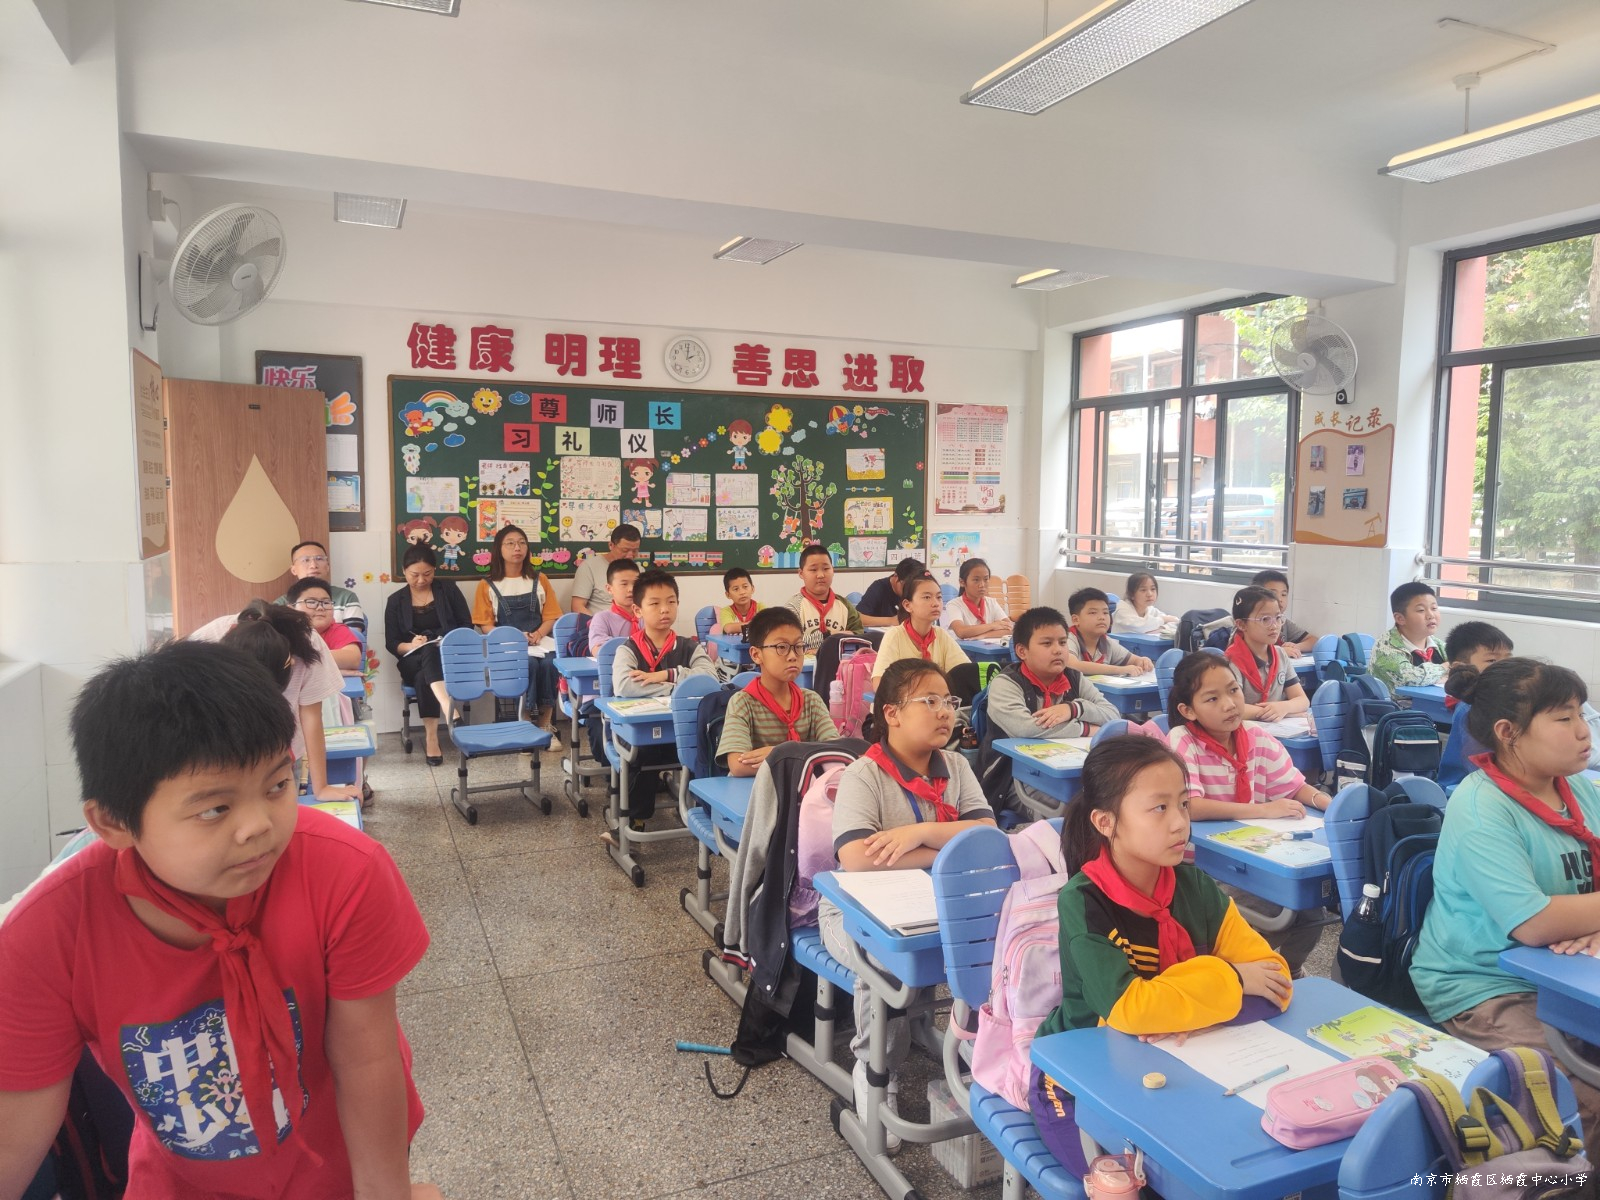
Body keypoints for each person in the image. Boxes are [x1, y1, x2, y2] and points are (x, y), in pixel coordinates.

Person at [0, 641, 436, 1197]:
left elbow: (367, 1059)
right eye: (214, 808)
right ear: (112, 823)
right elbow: (15, 1137)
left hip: (342, 1170)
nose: (259, 826)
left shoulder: (344, 871)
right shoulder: (47, 935)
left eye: (277, 785)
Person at [1028, 736, 1291, 1174]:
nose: (1179, 823)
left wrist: (1182, 1012)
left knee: (1238, 1166)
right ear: (1106, 822)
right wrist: (1230, 977)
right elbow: (1130, 1009)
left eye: (1184, 804)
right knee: (1124, 1182)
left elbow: (1277, 980)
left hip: (1174, 1068)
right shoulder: (1084, 901)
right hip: (1077, 1078)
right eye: (1159, 808)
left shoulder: (1195, 886)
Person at [1411, 658, 1600, 1161]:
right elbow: (1534, 923)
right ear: (1508, 732)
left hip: (1566, 972)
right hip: (1486, 984)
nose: (1584, 731)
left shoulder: (1578, 787)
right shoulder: (1482, 808)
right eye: (1564, 718)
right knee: (1583, 1101)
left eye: (1582, 714)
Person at [820, 660, 997, 1150]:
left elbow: (986, 835)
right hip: (853, 911)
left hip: (935, 904)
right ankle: (875, 1069)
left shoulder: (956, 767)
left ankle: (973, 1048)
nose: (945, 712)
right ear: (892, 713)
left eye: (950, 701)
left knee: (993, 943)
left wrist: (917, 834)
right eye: (930, 701)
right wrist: (948, 848)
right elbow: (858, 860)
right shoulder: (864, 775)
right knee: (884, 962)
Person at [1165, 651, 1326, 976]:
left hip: (1254, 855)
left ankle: (1290, 971)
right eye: (1212, 698)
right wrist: (1264, 810)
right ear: (1188, 710)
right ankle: (1239, 969)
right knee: (1266, 910)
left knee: (1311, 910)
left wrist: (1329, 803)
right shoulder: (1183, 742)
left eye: (1234, 690)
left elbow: (1295, 786)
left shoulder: (1256, 737)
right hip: (1202, 866)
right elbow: (1190, 805)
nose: (1229, 704)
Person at [190, 601, 359, 803]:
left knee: (280, 805)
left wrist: (321, 787)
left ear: (291, 660)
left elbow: (311, 716)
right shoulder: (206, 642)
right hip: (220, 752)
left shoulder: (309, 646)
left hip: (283, 748)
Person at [979, 606, 1117, 815]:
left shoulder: (1074, 678)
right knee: (1075, 810)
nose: (1058, 650)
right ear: (1022, 651)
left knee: (1114, 799)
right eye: (1047, 643)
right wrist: (1086, 729)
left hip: (1068, 771)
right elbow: (1026, 728)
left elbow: (1113, 715)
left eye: (1062, 642)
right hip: (1013, 778)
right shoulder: (1006, 683)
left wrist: (1074, 708)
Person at [610, 568, 716, 828]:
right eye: (655, 604)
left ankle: (703, 816)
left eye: (671, 601)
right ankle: (633, 820)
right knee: (639, 755)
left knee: (708, 748)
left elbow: (710, 678)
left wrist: (667, 674)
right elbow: (625, 686)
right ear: (638, 610)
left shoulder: (689, 646)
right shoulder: (629, 649)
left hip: (682, 733)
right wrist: (679, 689)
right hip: (641, 734)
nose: (664, 609)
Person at [716, 607, 838, 777]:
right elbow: (738, 765)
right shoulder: (743, 702)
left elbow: (835, 751)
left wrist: (781, 754)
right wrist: (808, 757)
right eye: (782, 647)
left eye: (798, 646)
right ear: (756, 655)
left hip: (803, 789)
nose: (793, 656)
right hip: (756, 790)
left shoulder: (811, 700)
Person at [384, 545, 473, 765]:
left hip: (448, 657)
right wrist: (410, 645)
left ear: (434, 570)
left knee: (424, 675)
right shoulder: (395, 601)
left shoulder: (449, 590)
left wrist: (447, 641)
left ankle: (432, 738)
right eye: (414, 575)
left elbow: (466, 625)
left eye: (427, 574)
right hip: (411, 659)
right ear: (404, 571)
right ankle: (449, 709)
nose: (421, 580)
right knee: (426, 650)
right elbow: (392, 643)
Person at [471, 525, 561, 728]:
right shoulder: (487, 584)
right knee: (528, 664)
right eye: (510, 543)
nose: (517, 548)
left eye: (522, 543)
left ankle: (545, 723)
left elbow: (551, 616)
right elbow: (485, 626)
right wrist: (514, 637)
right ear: (499, 549)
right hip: (507, 645)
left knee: (550, 664)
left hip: (540, 642)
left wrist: (538, 633)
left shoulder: (540, 579)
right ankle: (525, 720)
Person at [1224, 585, 1311, 722]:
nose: (1274, 625)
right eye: (1265, 619)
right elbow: (1233, 708)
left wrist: (1284, 707)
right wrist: (1278, 712)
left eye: (1278, 617)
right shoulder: (1231, 661)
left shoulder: (1280, 654)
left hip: (1275, 729)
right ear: (1241, 625)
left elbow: (1303, 700)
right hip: (1245, 730)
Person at [871, 574, 971, 687]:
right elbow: (879, 683)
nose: (936, 603)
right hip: (906, 697)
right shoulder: (894, 636)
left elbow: (965, 672)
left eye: (939, 597)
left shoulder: (941, 635)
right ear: (907, 605)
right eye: (927, 597)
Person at [1370, 581, 1446, 697]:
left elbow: (1461, 665)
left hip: (1431, 704)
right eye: (1421, 610)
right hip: (1396, 708)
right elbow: (1410, 677)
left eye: (1434, 608)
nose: (1431, 615)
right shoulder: (1385, 647)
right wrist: (1444, 668)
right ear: (1400, 618)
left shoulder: (1437, 644)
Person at [274, 540, 366, 631]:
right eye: (305, 560)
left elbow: (354, 637)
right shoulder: (280, 604)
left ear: (327, 566)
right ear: (294, 570)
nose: (313, 565)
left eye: (319, 559)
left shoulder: (346, 597)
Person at [789, 544, 864, 653]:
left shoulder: (844, 605)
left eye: (826, 569)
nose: (820, 575)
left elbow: (859, 637)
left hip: (838, 662)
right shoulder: (794, 606)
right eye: (813, 569)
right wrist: (832, 636)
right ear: (801, 573)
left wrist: (817, 646)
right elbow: (791, 642)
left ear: (833, 570)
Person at [1065, 587, 1153, 677]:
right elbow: (1073, 665)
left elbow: (1133, 660)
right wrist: (1120, 670)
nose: (1101, 617)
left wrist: (1142, 661)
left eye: (1105, 613)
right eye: (1093, 613)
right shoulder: (1066, 640)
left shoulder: (1106, 642)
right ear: (1076, 620)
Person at [286, 576, 362, 670]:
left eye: (326, 603)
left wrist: (300, 659)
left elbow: (353, 659)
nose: (320, 608)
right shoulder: (282, 631)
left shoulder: (336, 629)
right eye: (311, 602)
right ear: (291, 609)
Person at [569, 524, 643, 614]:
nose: (630, 556)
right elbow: (577, 606)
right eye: (625, 550)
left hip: (632, 620)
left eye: (635, 551)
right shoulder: (589, 567)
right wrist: (598, 622)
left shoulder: (639, 570)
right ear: (611, 545)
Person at [1250, 569, 1315, 657]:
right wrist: (1280, 652)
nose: (1280, 599)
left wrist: (1296, 647)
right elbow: (1248, 651)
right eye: (1273, 594)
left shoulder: (1284, 622)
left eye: (1283, 594)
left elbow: (1313, 641)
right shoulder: (1249, 622)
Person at [942, 558, 1013, 639]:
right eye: (976, 580)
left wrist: (984, 635)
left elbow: (1010, 628)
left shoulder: (991, 602)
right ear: (962, 582)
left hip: (988, 646)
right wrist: (993, 625)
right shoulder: (954, 605)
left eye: (986, 579)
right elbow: (961, 632)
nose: (982, 585)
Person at [586, 558, 642, 654]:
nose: (631, 589)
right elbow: (598, 651)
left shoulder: (647, 615)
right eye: (624, 584)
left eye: (636, 583)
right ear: (609, 589)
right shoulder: (602, 618)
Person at [854, 557, 925, 629]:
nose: (910, 591)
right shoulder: (878, 587)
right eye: (907, 586)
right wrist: (891, 621)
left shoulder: (916, 592)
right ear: (896, 577)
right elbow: (857, 619)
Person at [1109, 571, 1176, 638]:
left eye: (1153, 589)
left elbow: (1176, 622)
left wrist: (1161, 628)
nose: (1149, 594)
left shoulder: (1150, 609)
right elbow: (1139, 626)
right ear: (1132, 594)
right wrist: (1163, 620)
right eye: (1143, 590)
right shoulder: (1122, 609)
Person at [717, 566, 762, 635]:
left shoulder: (760, 607)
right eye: (736, 589)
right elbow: (729, 628)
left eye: (745, 587)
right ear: (728, 595)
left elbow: (768, 624)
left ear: (752, 589)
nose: (742, 592)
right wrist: (756, 625)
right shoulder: (726, 611)